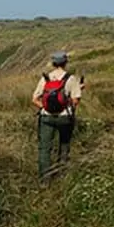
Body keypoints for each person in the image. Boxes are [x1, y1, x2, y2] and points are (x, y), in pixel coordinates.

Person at [32, 51, 82, 180]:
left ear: (53, 63)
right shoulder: (71, 78)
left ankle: (45, 179)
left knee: (44, 149)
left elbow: (35, 99)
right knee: (64, 146)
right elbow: (75, 101)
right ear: (65, 63)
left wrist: (45, 107)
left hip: (46, 117)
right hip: (65, 117)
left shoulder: (46, 78)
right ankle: (61, 176)